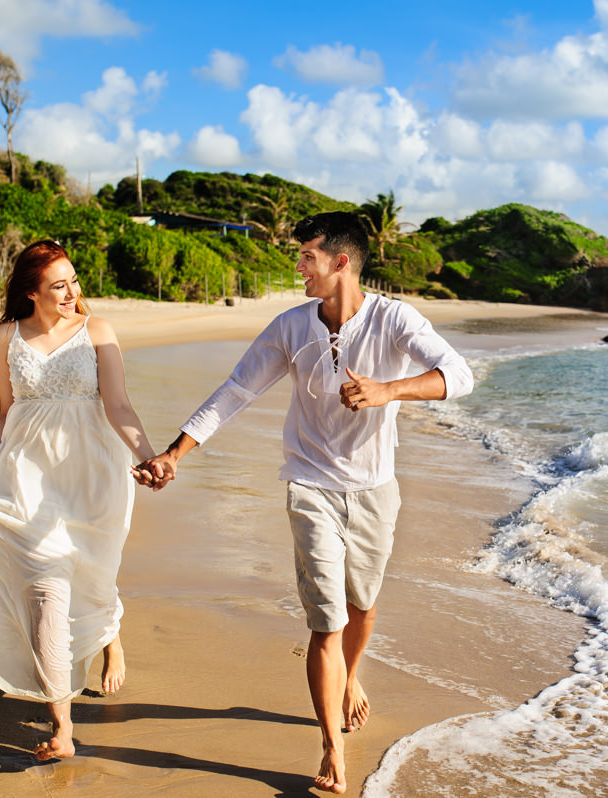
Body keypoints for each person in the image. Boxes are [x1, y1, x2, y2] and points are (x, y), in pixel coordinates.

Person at [134, 211, 473, 793]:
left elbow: (460, 375)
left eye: (307, 257)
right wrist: (175, 453)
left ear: (342, 263)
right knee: (326, 620)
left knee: (362, 610)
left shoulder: (394, 319)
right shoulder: (291, 326)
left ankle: (350, 677)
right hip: (310, 485)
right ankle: (331, 750)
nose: (298, 267)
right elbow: (237, 389)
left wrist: (389, 389)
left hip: (374, 490)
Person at [0, 240, 154, 761]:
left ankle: (109, 634)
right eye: (59, 285)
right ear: (31, 292)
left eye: (74, 281)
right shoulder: (5, 336)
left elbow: (117, 404)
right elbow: (6, 412)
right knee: (46, 590)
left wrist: (149, 456)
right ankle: (62, 726)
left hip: (93, 475)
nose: (73, 293)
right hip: (26, 476)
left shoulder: (96, 331)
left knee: (90, 575)